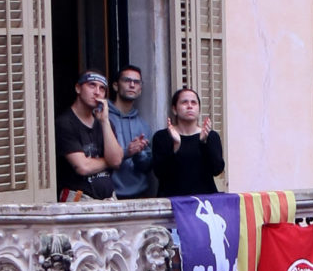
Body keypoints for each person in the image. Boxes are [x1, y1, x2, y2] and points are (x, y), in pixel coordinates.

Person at [57, 70, 122, 199]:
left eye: (102, 88)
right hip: (79, 197)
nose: (97, 92)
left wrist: (104, 121)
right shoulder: (65, 123)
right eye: (92, 85)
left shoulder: (105, 122)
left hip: (108, 197)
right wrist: (108, 161)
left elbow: (116, 160)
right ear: (78, 88)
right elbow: (83, 167)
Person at [149, 87, 223, 199]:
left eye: (194, 103)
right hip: (173, 203)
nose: (189, 106)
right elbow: (160, 172)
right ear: (174, 109)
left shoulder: (211, 136)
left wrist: (203, 142)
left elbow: (217, 169)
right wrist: (176, 146)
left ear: (199, 109)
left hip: (204, 202)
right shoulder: (162, 137)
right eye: (184, 102)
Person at [107, 64, 155, 197]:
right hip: (109, 196)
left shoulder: (143, 125)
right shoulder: (103, 119)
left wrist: (138, 154)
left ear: (140, 89)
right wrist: (127, 152)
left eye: (136, 82)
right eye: (127, 80)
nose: (132, 85)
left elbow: (146, 168)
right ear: (116, 86)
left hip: (139, 195)